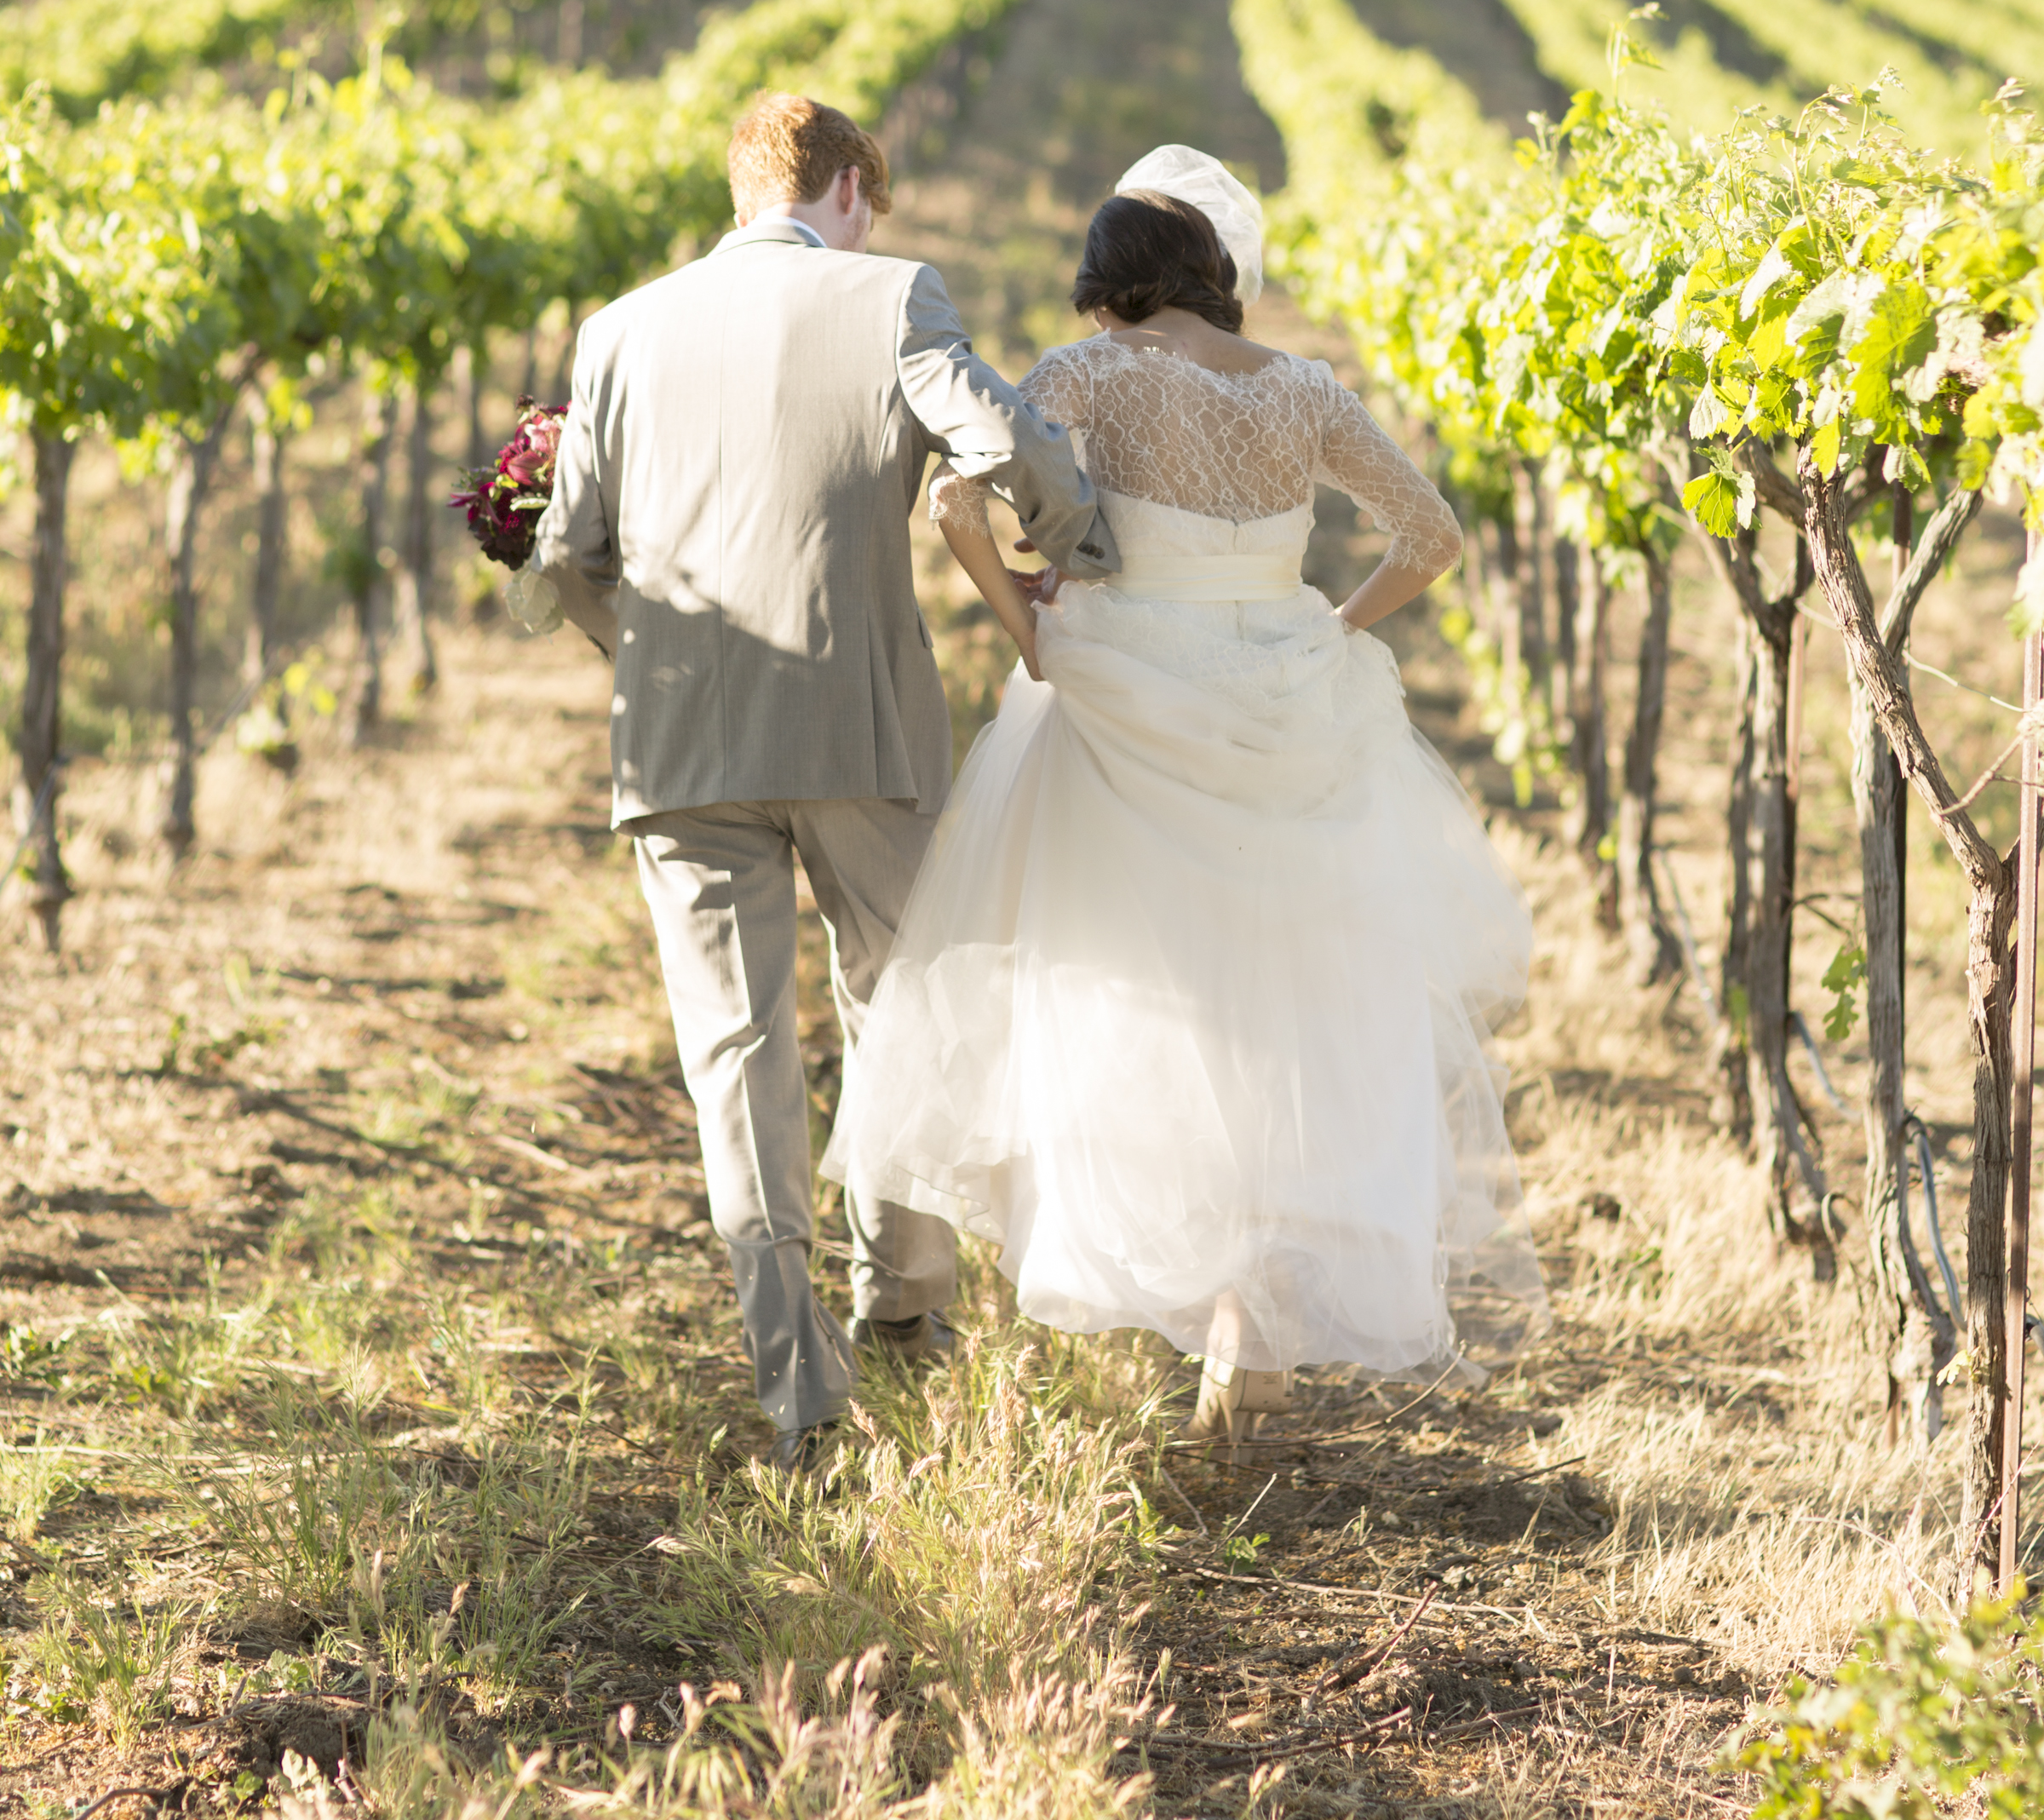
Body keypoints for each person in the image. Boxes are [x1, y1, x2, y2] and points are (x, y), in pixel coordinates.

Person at [825, 145, 1546, 1440]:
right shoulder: (1305, 389)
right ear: (1214, 273)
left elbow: (956, 503)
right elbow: (1431, 535)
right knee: (1285, 1005)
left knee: (1144, 1002)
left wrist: (1032, 633)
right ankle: (1249, 1338)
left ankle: (1202, 1295)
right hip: (1289, 695)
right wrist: (1330, 626)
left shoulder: (1087, 373)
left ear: (1112, 283)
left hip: (1130, 697)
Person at [535, 93, 1119, 1470]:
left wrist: (651, 661)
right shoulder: (891, 297)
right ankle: (904, 1303)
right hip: (860, 727)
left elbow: (566, 553)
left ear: (745, 188)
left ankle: (799, 1389)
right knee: (902, 1006)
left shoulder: (617, 331)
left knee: (735, 1058)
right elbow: (1007, 442)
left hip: (681, 747)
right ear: (847, 186)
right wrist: (1079, 554)